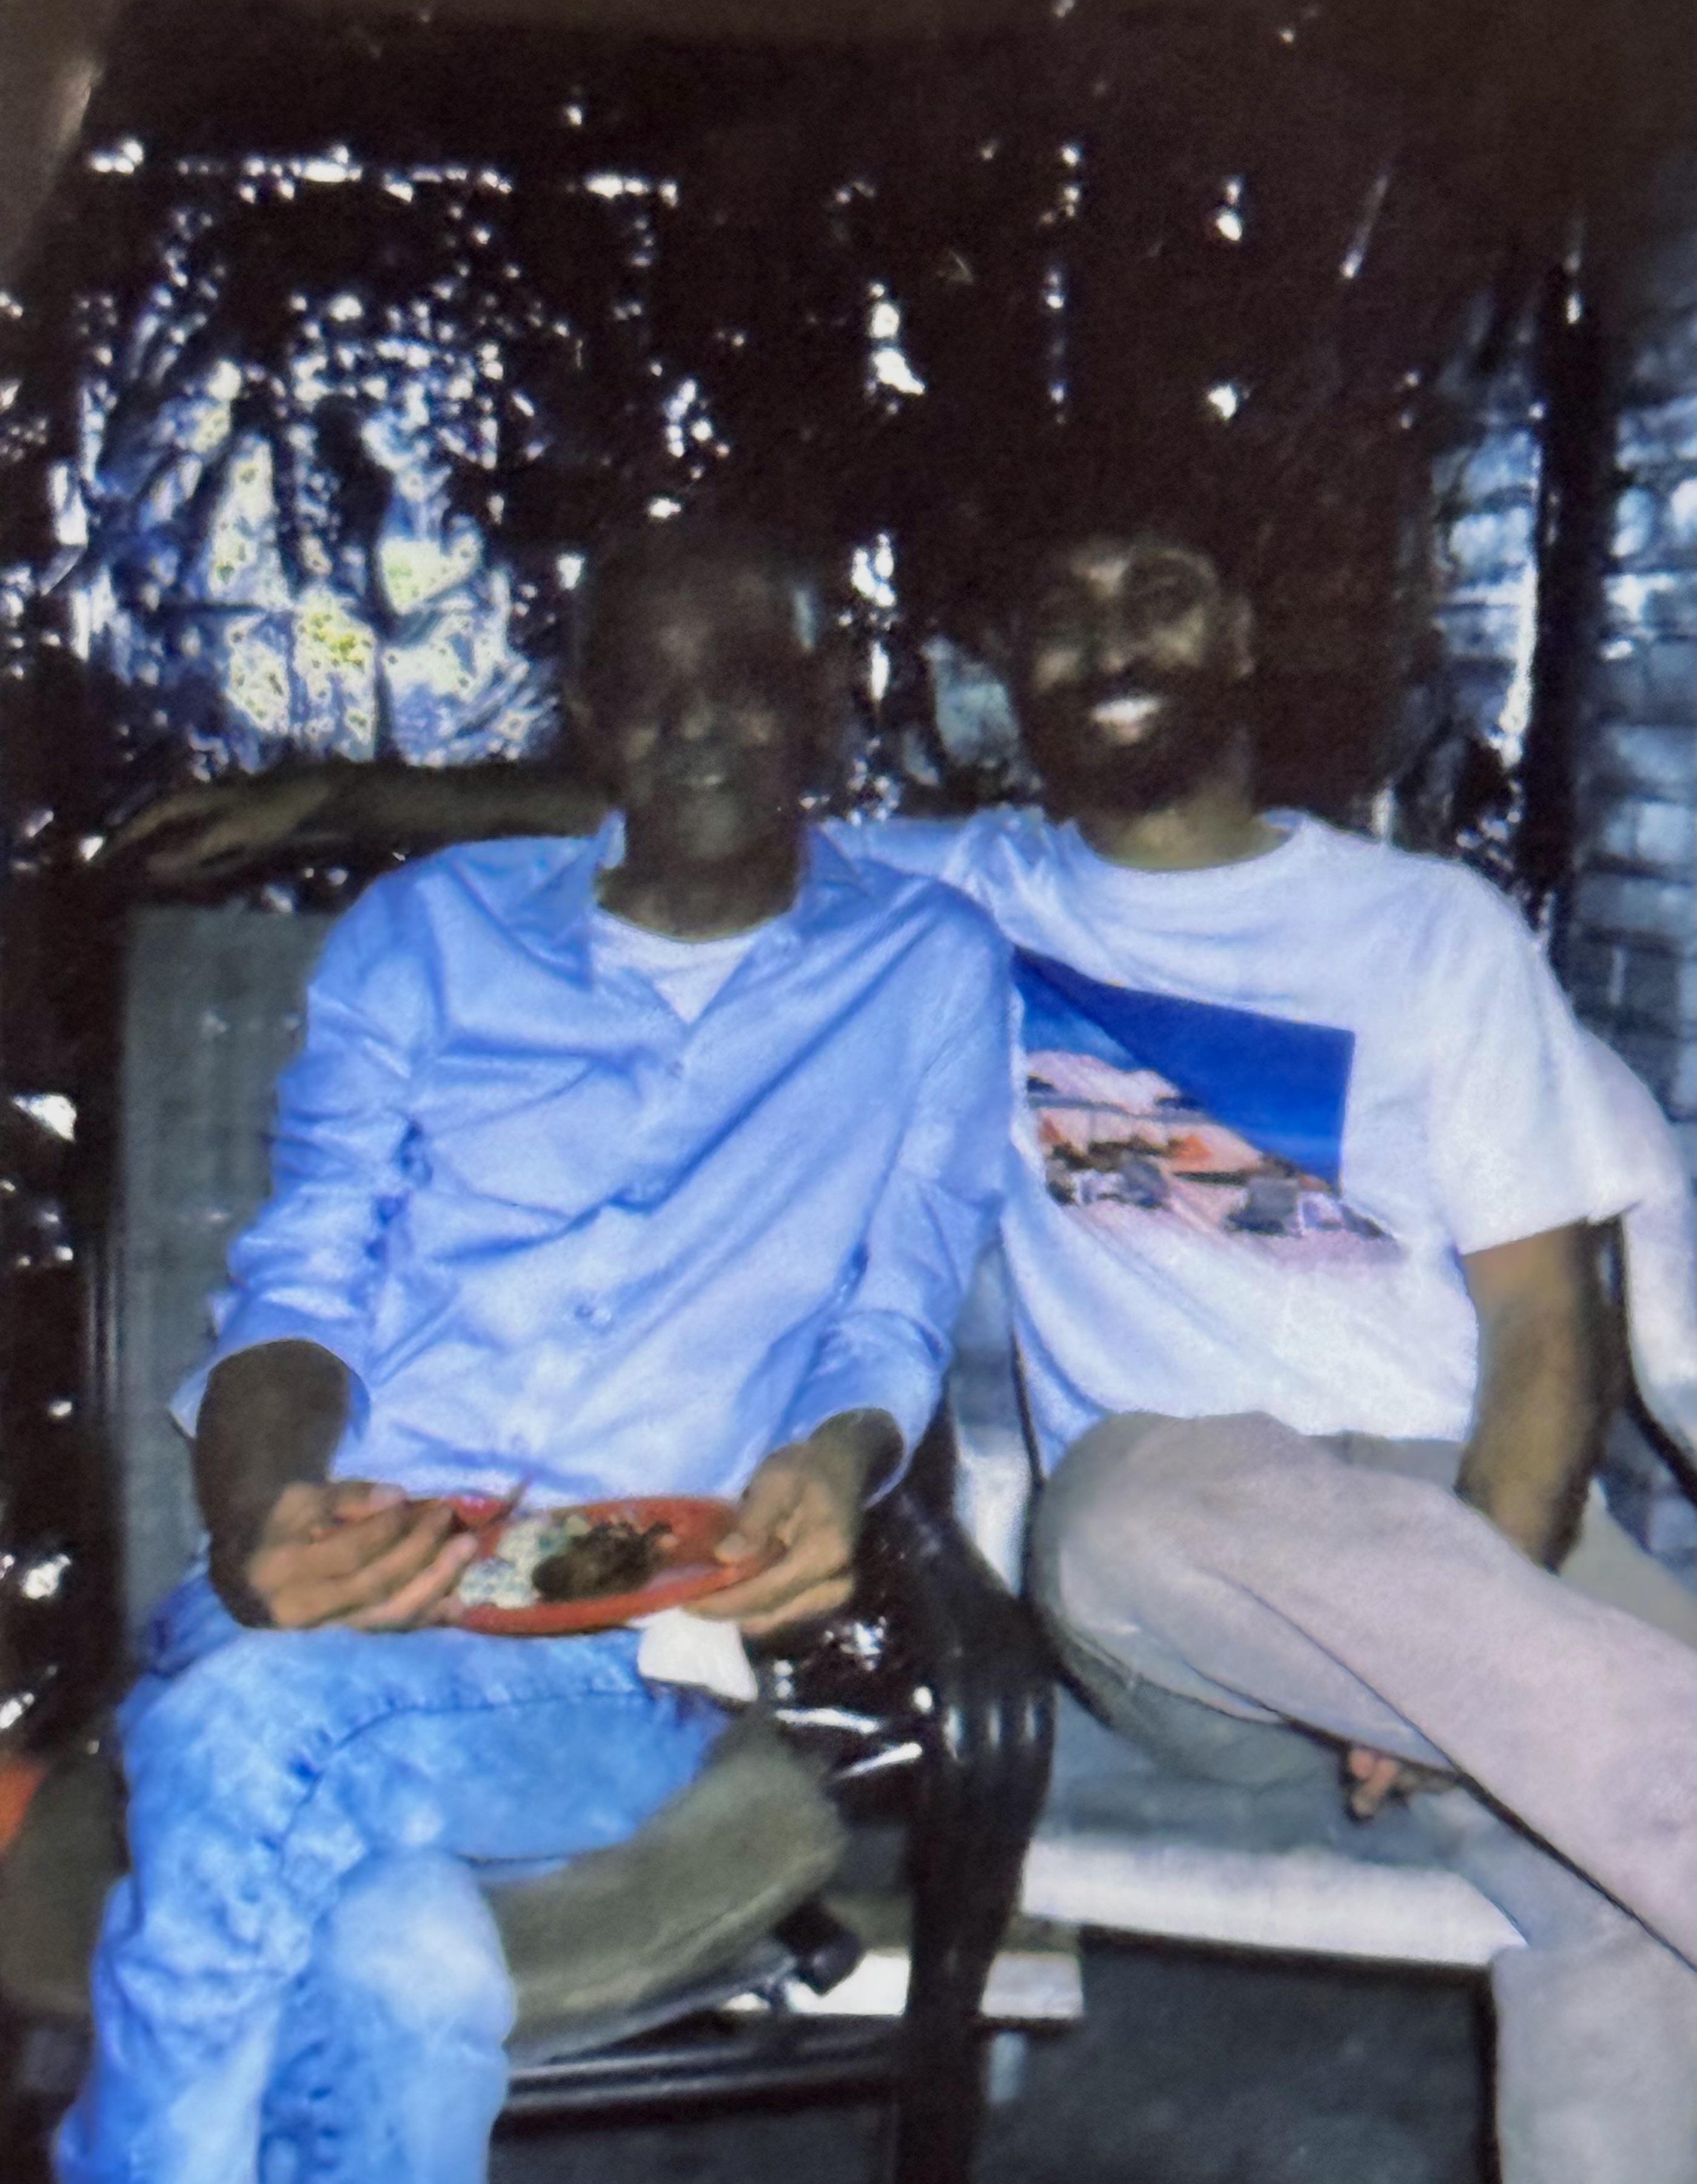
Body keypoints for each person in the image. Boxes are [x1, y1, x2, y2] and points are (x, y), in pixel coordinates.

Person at [115, 530, 1696, 2184]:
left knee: (1628, 1922)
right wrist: (339, 801)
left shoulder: (1429, 928)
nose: (1107, 645)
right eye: (1063, 616)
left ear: (1239, 627)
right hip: (1181, 1556)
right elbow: (666, 799)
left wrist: (1455, 1629)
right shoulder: (976, 894)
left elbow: (1540, 1328)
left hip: (1470, 1528)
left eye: (1153, 593)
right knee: (1143, 1491)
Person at [59, 522, 1012, 2184]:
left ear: (832, 701)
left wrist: (837, 1455)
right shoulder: (430, 936)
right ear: (587, 718)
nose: (697, 725)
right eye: (646, 689)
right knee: (417, 1987)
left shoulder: (927, 965)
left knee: (238, 1735)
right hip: (344, 1564)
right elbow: (304, 1281)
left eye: (749, 684)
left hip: (607, 1641)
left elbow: (894, 1305)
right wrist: (260, 1523)